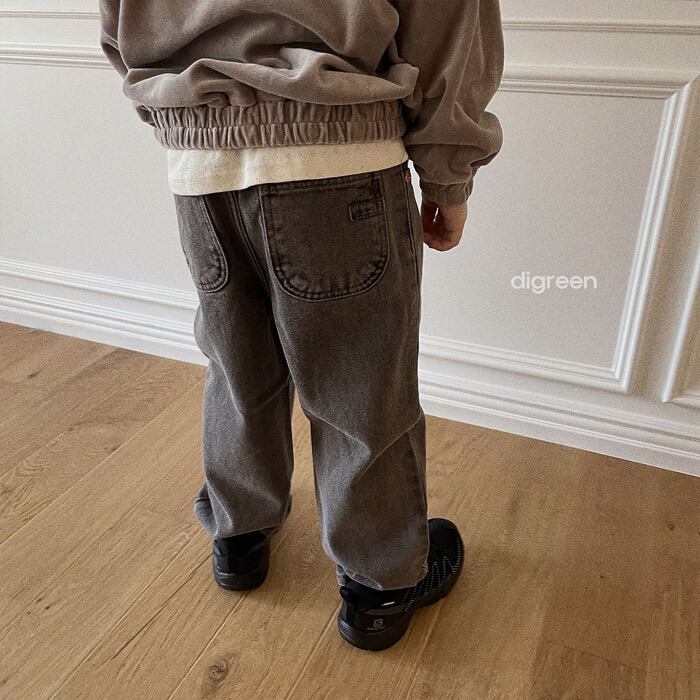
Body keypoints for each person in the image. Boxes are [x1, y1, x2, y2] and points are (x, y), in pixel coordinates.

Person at [99, 0, 503, 651]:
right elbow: (449, 26)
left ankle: (239, 537)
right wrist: (448, 179)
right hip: (338, 161)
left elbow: (120, 27)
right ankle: (378, 589)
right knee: (360, 383)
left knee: (237, 365)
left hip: (199, 168)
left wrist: (187, 116)